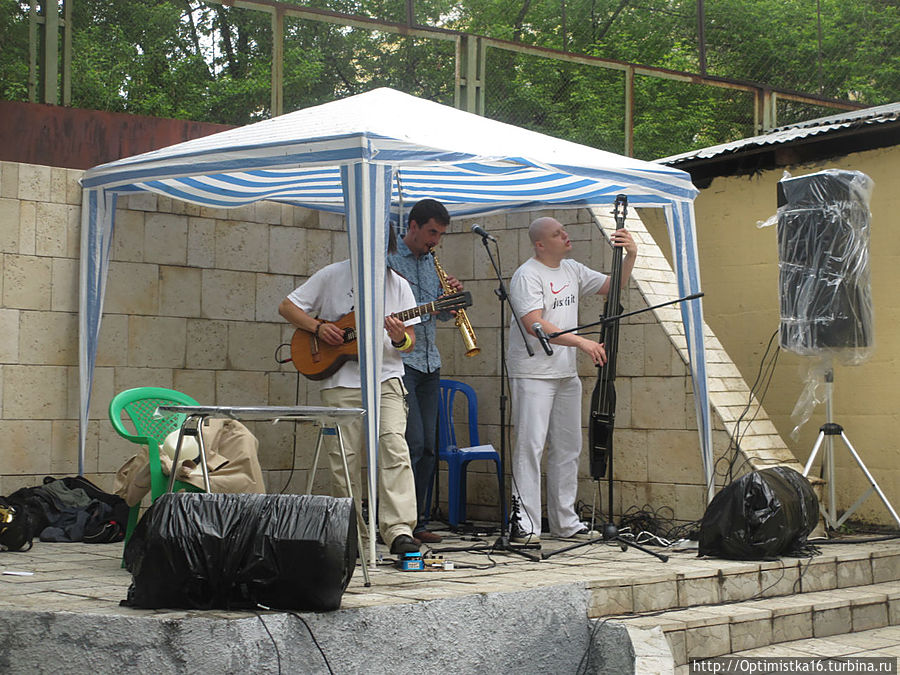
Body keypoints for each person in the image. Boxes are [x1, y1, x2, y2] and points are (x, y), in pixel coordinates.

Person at [278, 244, 421, 556]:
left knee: (394, 446)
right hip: (340, 379)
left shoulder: (398, 284)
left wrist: (399, 337)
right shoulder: (332, 274)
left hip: (386, 377)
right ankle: (351, 534)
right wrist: (318, 327)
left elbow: (408, 343)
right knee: (344, 458)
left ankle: (398, 530)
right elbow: (288, 307)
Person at [506, 215, 637, 544]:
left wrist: (631, 255)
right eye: (557, 233)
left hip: (565, 372)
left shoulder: (573, 269)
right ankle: (527, 526)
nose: (566, 236)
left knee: (568, 447)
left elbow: (613, 285)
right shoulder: (527, 275)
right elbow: (534, 322)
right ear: (540, 244)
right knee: (530, 447)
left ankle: (565, 522)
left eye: (564, 231)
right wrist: (582, 342)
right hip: (533, 372)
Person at [387, 199, 461, 544]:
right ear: (412, 226)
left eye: (441, 234)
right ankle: (399, 523)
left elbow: (438, 314)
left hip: (431, 362)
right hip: (402, 364)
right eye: (432, 232)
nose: (436, 240)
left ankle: (419, 522)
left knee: (430, 446)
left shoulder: (433, 262)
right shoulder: (389, 262)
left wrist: (450, 303)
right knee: (412, 443)